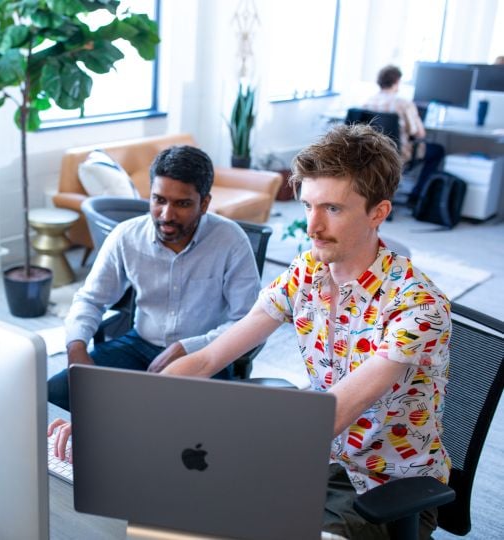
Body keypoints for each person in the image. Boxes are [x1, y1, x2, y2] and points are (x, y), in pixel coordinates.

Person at [154, 124, 450, 539]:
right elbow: (208, 358)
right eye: (308, 205)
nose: (312, 227)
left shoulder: (418, 306)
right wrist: (129, 419)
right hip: (320, 464)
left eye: (332, 208)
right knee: (185, 511)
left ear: (377, 213)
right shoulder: (306, 272)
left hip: (385, 486)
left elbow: (332, 412)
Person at [46, 145, 261, 411]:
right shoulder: (126, 236)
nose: (167, 215)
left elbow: (249, 323)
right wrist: (76, 350)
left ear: (204, 203)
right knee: (56, 391)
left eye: (182, 204)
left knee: (181, 425)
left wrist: (188, 347)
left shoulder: (231, 241)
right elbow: (90, 300)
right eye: (159, 200)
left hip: (205, 356)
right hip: (138, 346)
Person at [364, 64, 445, 207]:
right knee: (438, 151)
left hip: (371, 153)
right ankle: (417, 196)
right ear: (397, 81)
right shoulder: (404, 103)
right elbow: (419, 133)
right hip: (398, 153)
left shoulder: (367, 101)